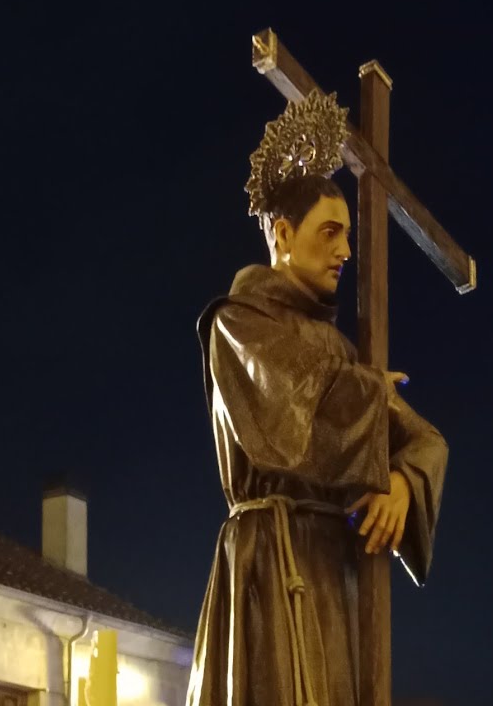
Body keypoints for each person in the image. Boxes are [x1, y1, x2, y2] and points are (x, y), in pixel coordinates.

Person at [187, 92, 448, 706]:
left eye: (348, 235)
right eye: (329, 233)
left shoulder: (342, 351)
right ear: (283, 234)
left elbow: (425, 439)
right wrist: (370, 394)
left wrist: (403, 482)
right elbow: (291, 418)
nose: (345, 252)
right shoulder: (238, 323)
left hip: (336, 571)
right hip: (269, 563)